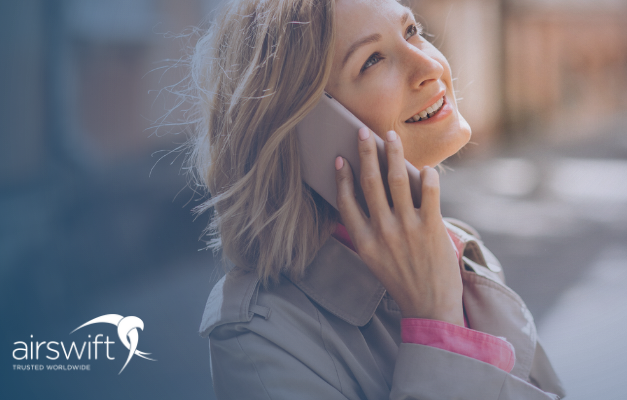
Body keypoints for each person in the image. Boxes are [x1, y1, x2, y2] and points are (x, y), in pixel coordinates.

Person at [189, 0, 566, 398]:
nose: (431, 67)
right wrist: (436, 322)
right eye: (372, 60)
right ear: (306, 130)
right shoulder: (258, 335)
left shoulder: (459, 249)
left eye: (411, 31)